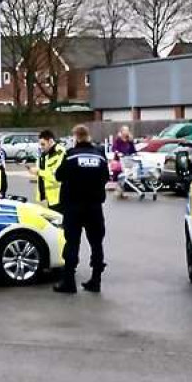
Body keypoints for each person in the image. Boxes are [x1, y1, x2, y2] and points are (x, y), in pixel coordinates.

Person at [53, 124, 111, 294]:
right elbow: (106, 177)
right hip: (94, 207)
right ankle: (96, 280)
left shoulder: (71, 156)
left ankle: (69, 282)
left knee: (72, 243)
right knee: (96, 244)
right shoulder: (100, 156)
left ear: (76, 137)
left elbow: (59, 175)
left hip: (73, 206)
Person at [28, 129, 66, 211]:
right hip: (47, 197)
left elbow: (56, 176)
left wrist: (38, 172)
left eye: (43, 144)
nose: (41, 147)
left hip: (59, 198)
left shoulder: (60, 153)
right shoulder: (44, 154)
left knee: (59, 222)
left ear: (50, 141)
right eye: (40, 144)